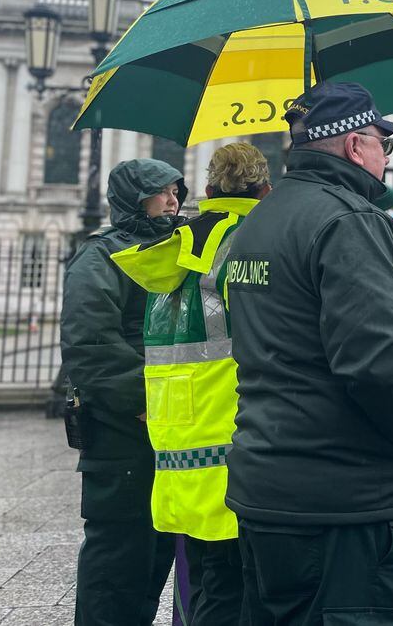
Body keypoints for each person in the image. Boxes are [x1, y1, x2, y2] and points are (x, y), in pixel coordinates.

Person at [223, 82, 393, 625]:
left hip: (267, 485)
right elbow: (380, 365)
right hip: (344, 501)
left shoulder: (260, 221)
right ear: (355, 146)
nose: (387, 157)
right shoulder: (351, 222)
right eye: (384, 144)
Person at [113, 143, 272, 624]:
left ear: (205, 191)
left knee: (203, 580)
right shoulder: (254, 239)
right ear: (266, 189)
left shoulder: (177, 243)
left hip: (178, 435)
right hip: (233, 431)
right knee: (237, 586)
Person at [60, 158, 186, 626]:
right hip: (120, 430)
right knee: (118, 560)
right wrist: (148, 400)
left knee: (156, 554)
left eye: (177, 192)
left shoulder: (179, 251)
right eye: (163, 192)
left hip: (170, 429)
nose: (173, 201)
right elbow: (90, 344)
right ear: (136, 197)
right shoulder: (100, 257)